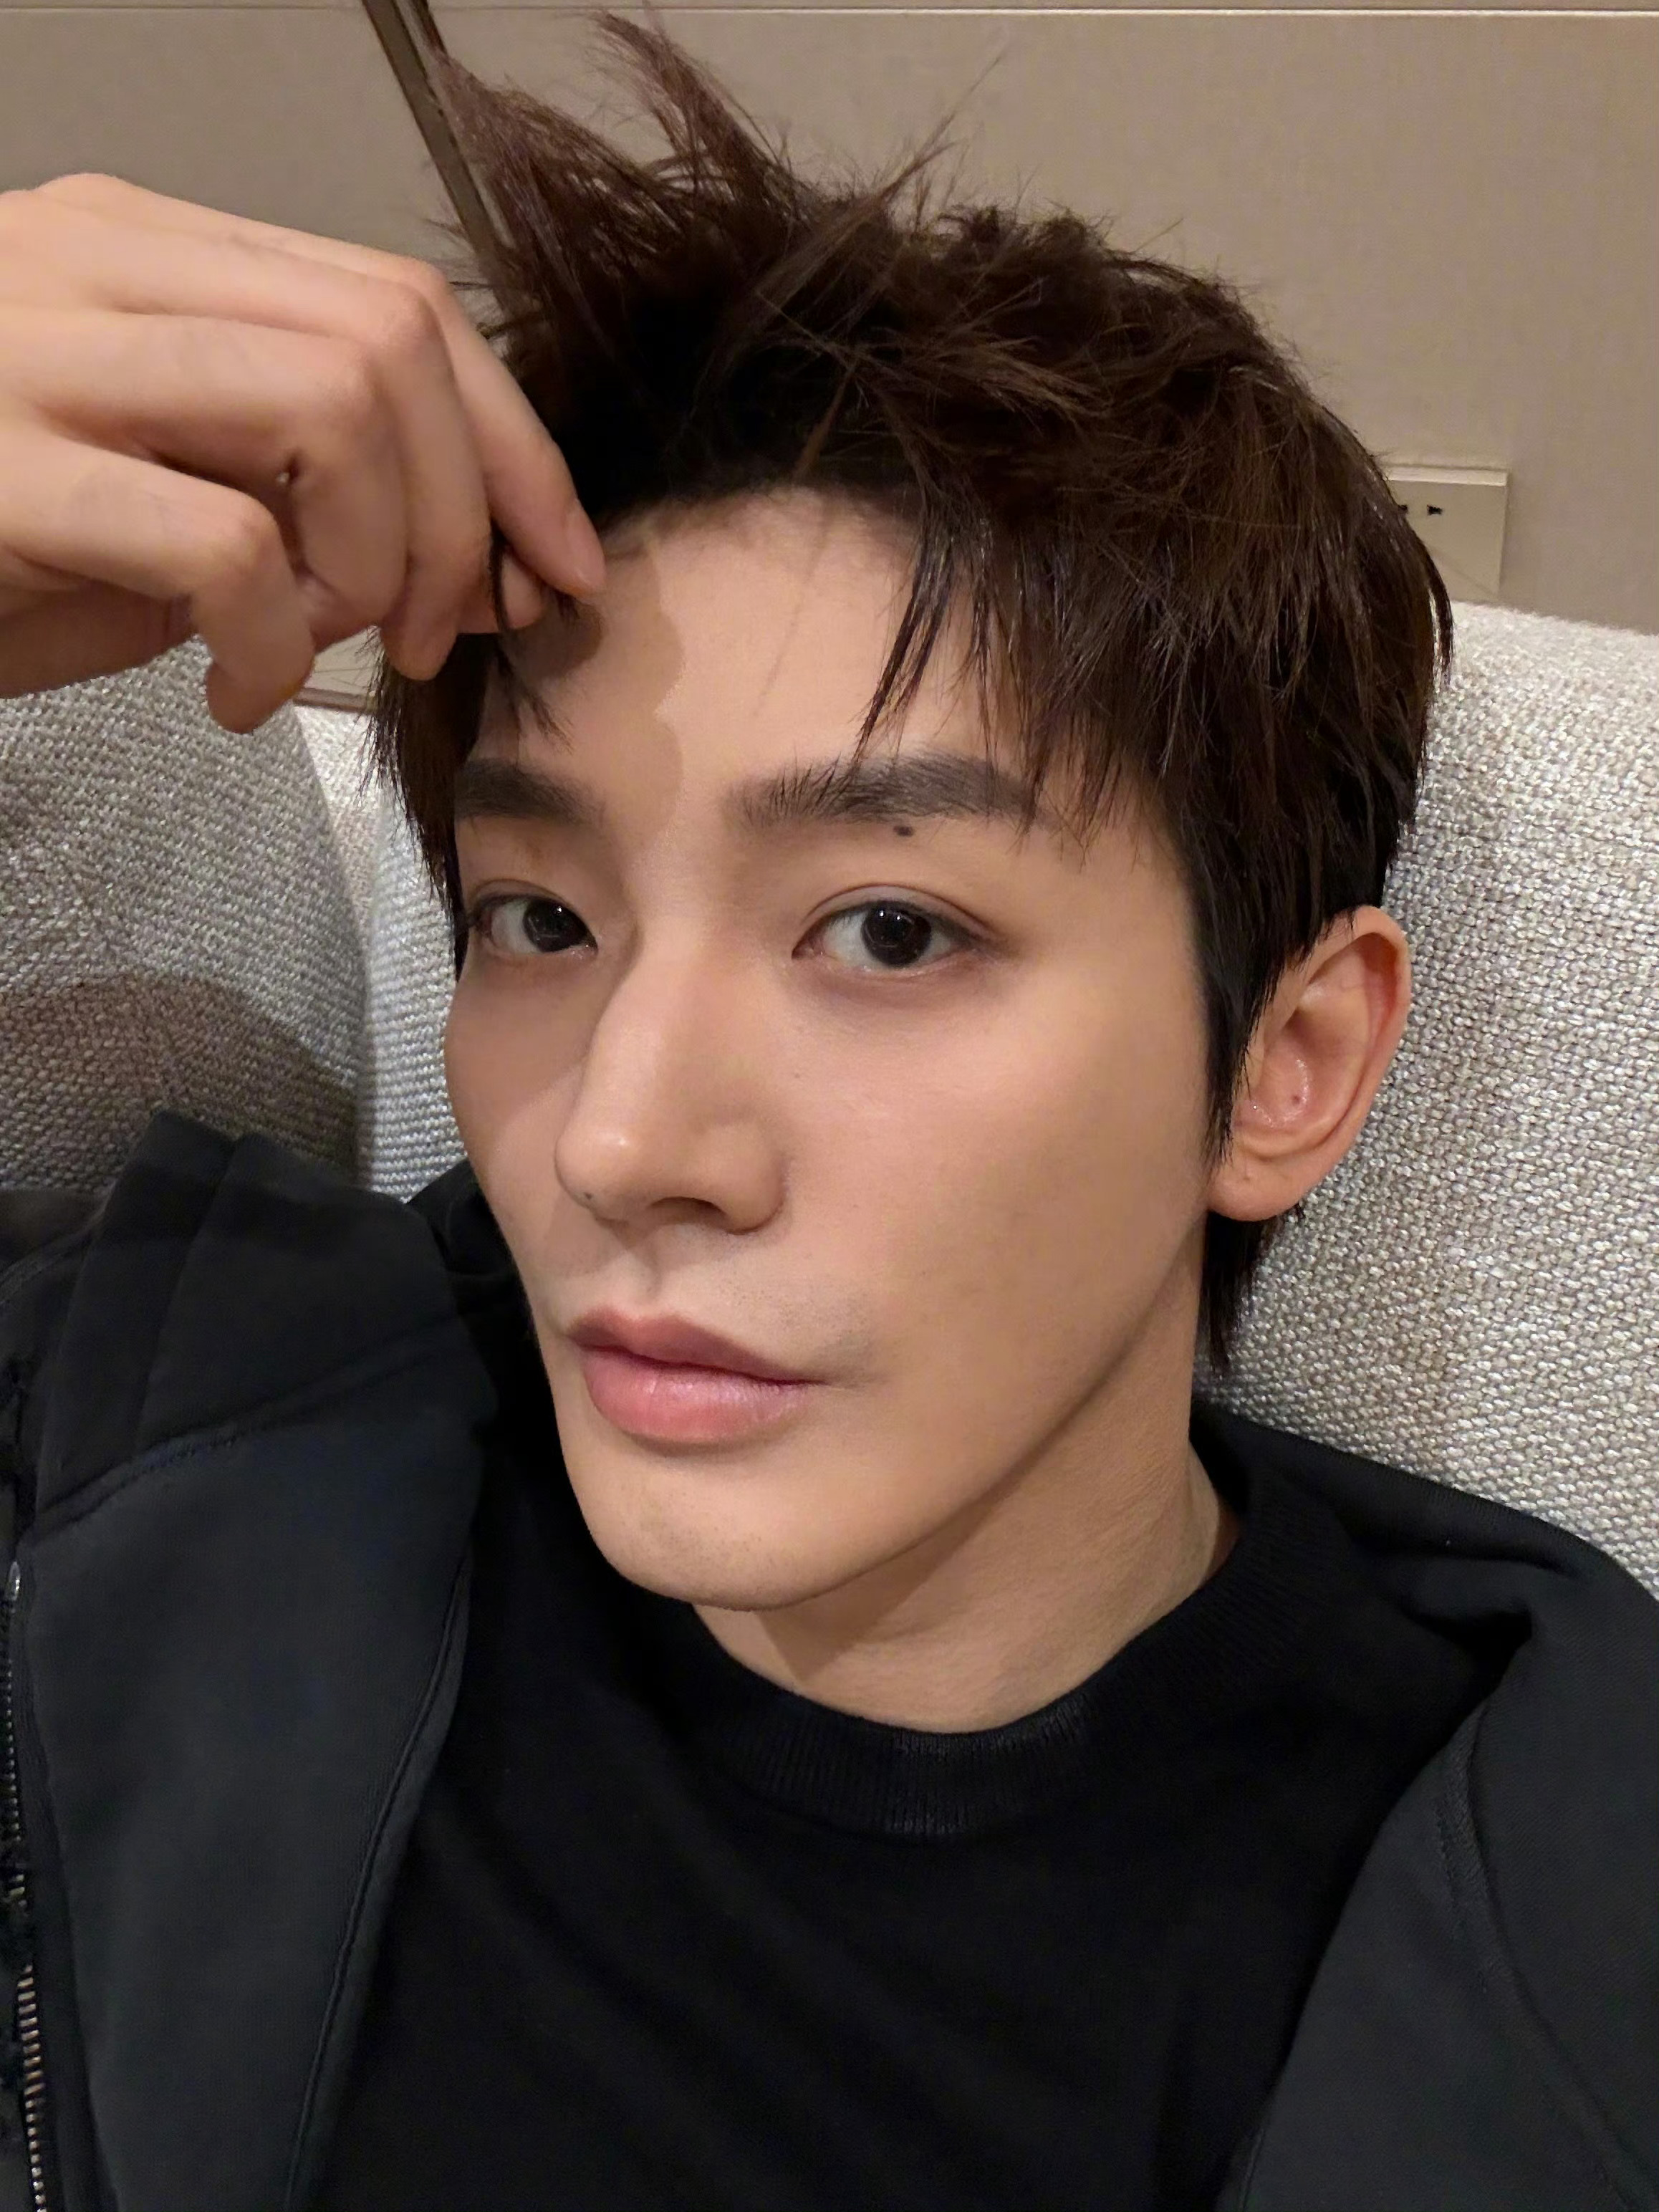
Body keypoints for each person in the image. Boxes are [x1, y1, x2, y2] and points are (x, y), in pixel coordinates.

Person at [0, 21, 1654, 2212]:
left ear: (1286, 1063)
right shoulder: (148, 1437)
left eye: (886, 931)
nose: (620, 1143)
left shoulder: (1575, 1930)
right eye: (540, 917)